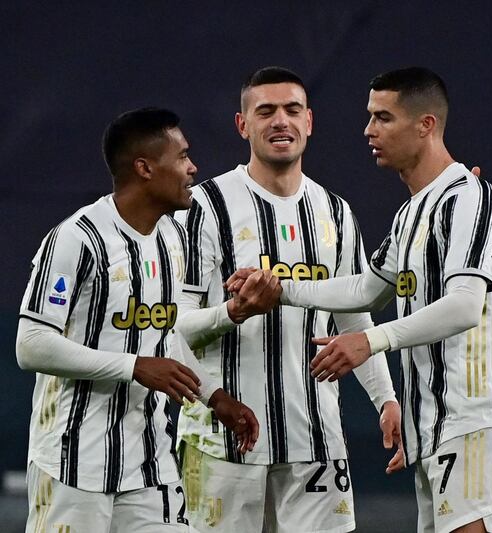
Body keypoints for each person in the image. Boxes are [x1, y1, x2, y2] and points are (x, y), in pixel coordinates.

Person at [275, 67, 492, 533]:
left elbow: (463, 305)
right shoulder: (412, 212)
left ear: (426, 125)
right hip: (435, 428)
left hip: (478, 422)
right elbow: (366, 290)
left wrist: (370, 342)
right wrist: (281, 289)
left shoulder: (469, 201)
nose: (369, 130)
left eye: (383, 118)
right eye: (370, 117)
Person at [173, 66, 400, 533]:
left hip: (315, 440)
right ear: (243, 125)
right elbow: (174, 327)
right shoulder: (204, 206)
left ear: (310, 121)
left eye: (292, 110)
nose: (282, 121)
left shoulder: (335, 211)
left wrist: (386, 399)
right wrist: (233, 312)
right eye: (266, 111)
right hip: (222, 443)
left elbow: (351, 319)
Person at [16, 107, 260, 533]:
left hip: (150, 467)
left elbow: (163, 338)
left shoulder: (173, 239)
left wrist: (215, 397)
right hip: (73, 466)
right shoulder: (77, 238)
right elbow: (31, 343)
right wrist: (133, 367)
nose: (192, 168)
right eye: (182, 157)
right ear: (145, 168)